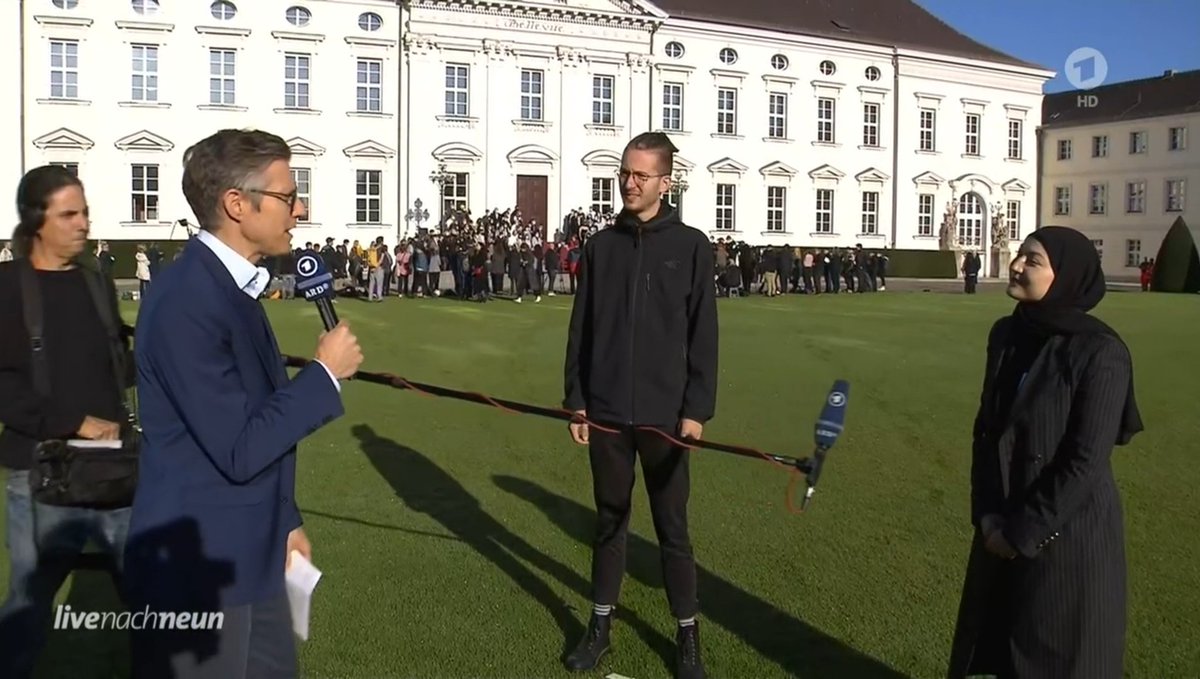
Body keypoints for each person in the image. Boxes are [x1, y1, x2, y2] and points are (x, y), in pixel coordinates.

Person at [124, 129, 364, 678]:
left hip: (251, 554)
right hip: (198, 571)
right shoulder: (189, 298)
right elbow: (240, 445)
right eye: (286, 195)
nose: (298, 209)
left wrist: (285, 521)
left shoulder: (233, 289)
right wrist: (324, 374)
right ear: (237, 203)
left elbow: (256, 413)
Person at [947, 226, 1144, 679]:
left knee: (1058, 656)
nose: (1016, 265)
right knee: (1003, 648)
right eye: (1020, 254)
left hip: (1066, 535)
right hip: (1002, 518)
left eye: (1032, 261)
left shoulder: (1101, 352)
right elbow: (985, 432)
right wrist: (988, 516)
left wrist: (1021, 532)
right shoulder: (1007, 333)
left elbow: (1084, 461)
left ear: (1066, 276)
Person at [562, 131, 718, 679]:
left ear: (665, 182)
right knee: (610, 522)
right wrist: (576, 400)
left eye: (640, 175)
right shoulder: (601, 246)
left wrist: (696, 409)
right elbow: (581, 328)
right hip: (605, 412)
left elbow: (704, 335)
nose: (629, 183)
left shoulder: (692, 245)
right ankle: (600, 627)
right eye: (624, 173)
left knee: (672, 529)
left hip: (666, 418)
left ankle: (687, 635)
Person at [0, 165, 132, 678]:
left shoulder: (95, 284)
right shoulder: (8, 287)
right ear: (37, 221)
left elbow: (119, 367)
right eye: (69, 214)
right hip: (39, 474)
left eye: (86, 213)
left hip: (116, 471)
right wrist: (76, 421)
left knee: (149, 592)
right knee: (30, 601)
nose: (83, 224)